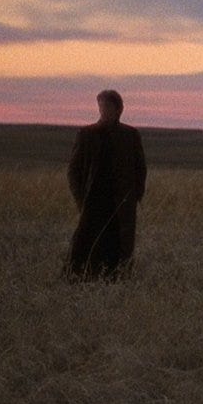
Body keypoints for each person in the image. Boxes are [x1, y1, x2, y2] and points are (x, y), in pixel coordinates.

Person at [66, 90, 147, 280]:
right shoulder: (86, 134)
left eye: (108, 107)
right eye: (101, 107)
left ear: (119, 109)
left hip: (120, 201)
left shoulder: (130, 135)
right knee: (85, 242)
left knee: (119, 243)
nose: (104, 111)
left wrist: (134, 197)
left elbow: (140, 169)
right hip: (94, 199)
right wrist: (81, 199)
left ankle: (116, 279)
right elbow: (73, 171)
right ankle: (80, 278)